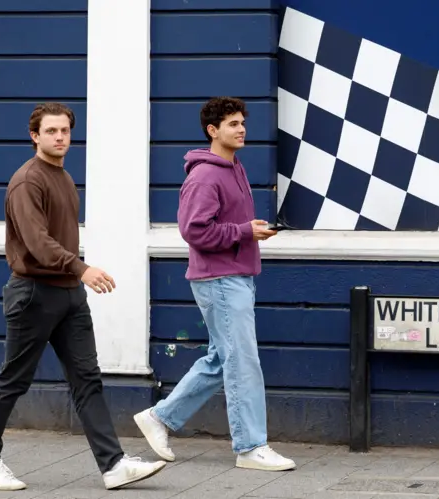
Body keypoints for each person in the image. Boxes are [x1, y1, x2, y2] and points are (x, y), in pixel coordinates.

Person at [0, 102, 166, 491]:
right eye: (51, 131)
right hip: (34, 295)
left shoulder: (62, 176)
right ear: (34, 136)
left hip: (69, 295)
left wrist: (76, 278)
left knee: (87, 379)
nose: (60, 137)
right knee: (14, 379)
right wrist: (82, 269)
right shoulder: (28, 181)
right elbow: (39, 245)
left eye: (65, 131)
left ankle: (113, 466)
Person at [134, 97, 296, 472]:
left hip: (234, 275)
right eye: (233, 124)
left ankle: (160, 417)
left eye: (242, 123)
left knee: (221, 358)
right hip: (220, 279)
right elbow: (193, 230)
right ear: (213, 130)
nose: (241, 129)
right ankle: (251, 446)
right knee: (243, 361)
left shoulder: (232, 166)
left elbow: (220, 224)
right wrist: (244, 231)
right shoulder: (205, 175)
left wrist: (251, 231)